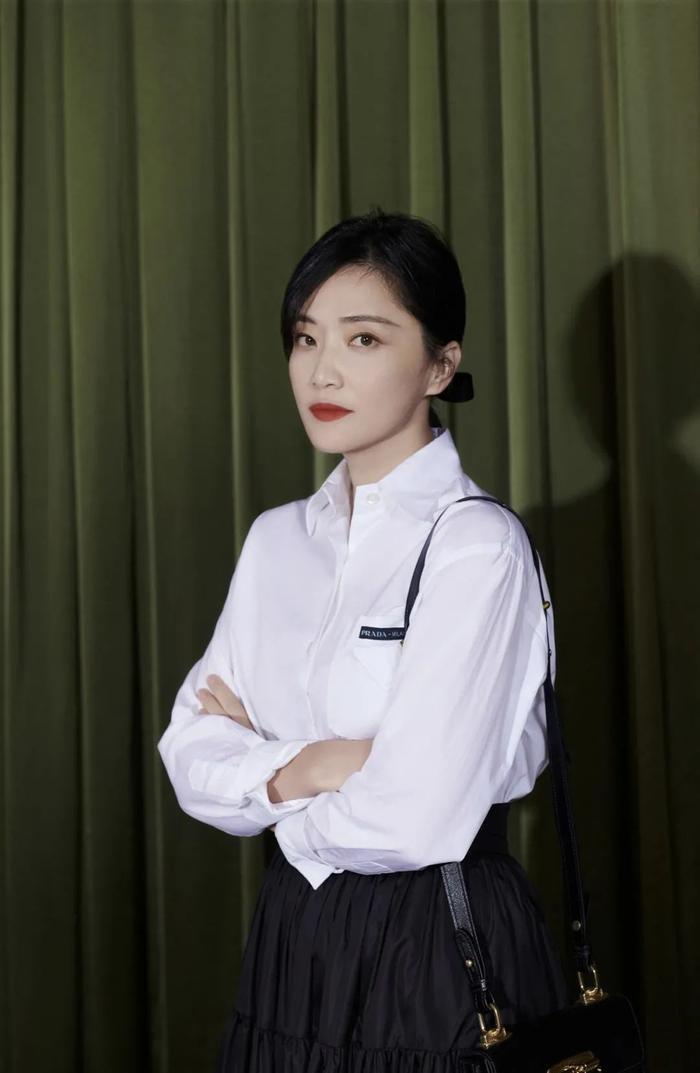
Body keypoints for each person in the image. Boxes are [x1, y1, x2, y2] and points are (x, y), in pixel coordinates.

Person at [157, 208, 569, 1071]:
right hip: (293, 942)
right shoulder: (275, 541)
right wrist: (318, 763)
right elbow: (187, 753)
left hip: (440, 942)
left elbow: (416, 818)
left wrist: (262, 782)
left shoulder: (476, 545)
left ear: (440, 365)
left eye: (365, 339)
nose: (323, 369)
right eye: (306, 338)